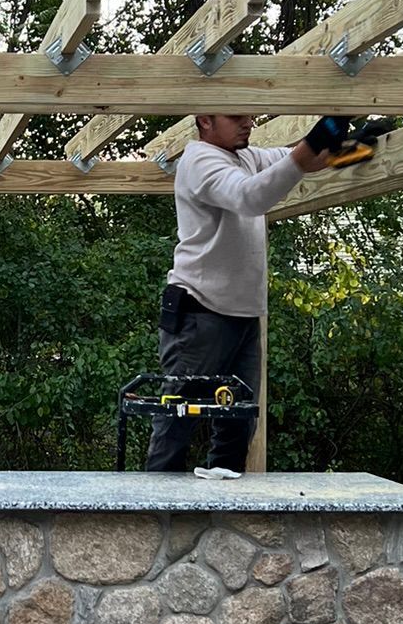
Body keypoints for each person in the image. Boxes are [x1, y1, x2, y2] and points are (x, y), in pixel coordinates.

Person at [146, 114, 351, 478]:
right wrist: (310, 149)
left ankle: (224, 521)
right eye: (236, 117)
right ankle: (156, 522)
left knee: (238, 423)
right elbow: (250, 196)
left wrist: (350, 148)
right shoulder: (199, 160)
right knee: (177, 422)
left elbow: (294, 159)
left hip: (239, 315)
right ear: (205, 121)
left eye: (249, 115)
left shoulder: (246, 157)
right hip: (199, 313)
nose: (248, 123)